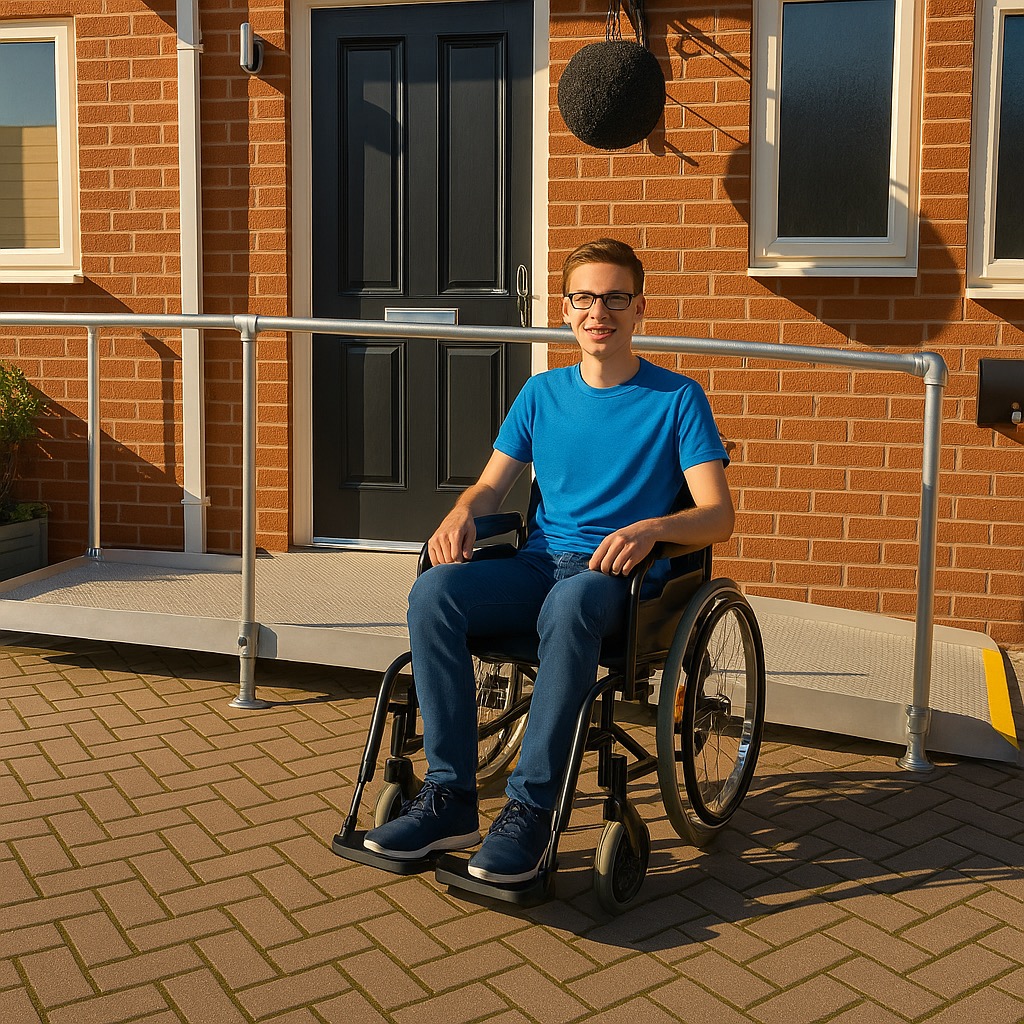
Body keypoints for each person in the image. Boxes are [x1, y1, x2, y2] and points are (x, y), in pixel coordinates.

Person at [363, 238, 733, 884]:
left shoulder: (678, 399)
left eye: (615, 298)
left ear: (640, 307)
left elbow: (717, 515)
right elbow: (489, 487)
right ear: (564, 309)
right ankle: (450, 797)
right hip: (539, 566)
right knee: (435, 593)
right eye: (584, 298)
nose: (599, 313)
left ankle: (532, 811)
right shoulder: (541, 394)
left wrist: (652, 529)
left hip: (615, 580)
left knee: (571, 599)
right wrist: (460, 514)